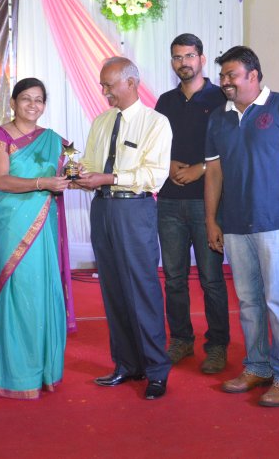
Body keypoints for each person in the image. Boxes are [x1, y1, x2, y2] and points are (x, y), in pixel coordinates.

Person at [205, 46, 279, 407]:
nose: (225, 81)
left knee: (277, 300)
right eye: (223, 75)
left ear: (253, 75)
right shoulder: (219, 117)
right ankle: (257, 366)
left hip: (275, 224)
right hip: (235, 224)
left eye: (232, 75)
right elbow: (214, 172)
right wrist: (211, 219)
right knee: (248, 301)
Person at [75, 57, 173, 400]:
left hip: (135, 209)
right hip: (102, 208)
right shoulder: (102, 121)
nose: (104, 92)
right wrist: (78, 175)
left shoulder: (156, 123)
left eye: (109, 85)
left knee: (142, 289)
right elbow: (90, 163)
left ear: (131, 83)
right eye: (102, 85)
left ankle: (156, 370)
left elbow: (154, 175)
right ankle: (127, 364)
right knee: (113, 288)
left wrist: (109, 178)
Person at [0, 78, 76, 399]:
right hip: (11, 226)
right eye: (26, 98)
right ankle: (17, 376)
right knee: (18, 293)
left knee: (42, 292)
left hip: (43, 225)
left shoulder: (53, 139)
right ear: (13, 102)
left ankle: (44, 372)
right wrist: (43, 183)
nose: (32, 105)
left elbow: (72, 171)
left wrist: (75, 174)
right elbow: (2, 180)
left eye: (39, 100)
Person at [155, 33, 230, 374]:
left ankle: (217, 345)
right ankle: (181, 340)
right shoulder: (165, 101)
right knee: (173, 278)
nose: (183, 62)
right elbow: (155, 144)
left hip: (207, 202)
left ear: (201, 58)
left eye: (189, 56)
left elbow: (230, 145)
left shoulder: (221, 97)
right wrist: (168, 163)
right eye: (177, 57)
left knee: (212, 279)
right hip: (169, 202)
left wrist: (201, 169)